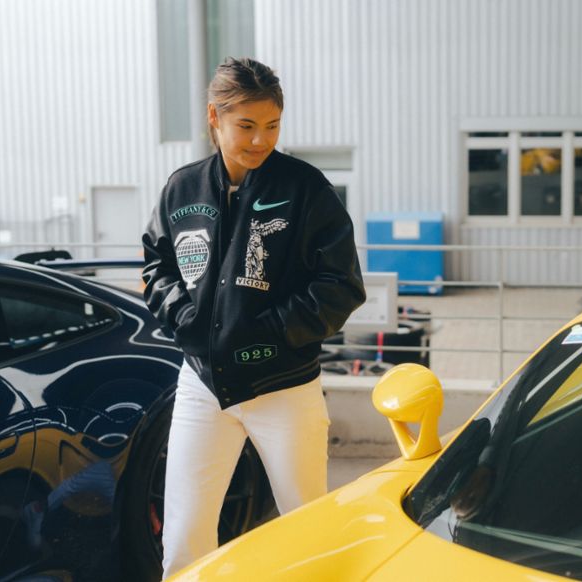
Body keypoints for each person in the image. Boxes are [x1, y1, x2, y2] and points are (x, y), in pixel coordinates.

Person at [142, 57, 366, 578]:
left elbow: (341, 287)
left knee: (307, 529)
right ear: (214, 118)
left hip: (284, 388)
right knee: (183, 537)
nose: (260, 140)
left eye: (271, 126)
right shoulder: (182, 190)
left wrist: (268, 332)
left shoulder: (307, 190)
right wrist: (187, 320)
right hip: (203, 385)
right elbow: (156, 266)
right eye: (246, 126)